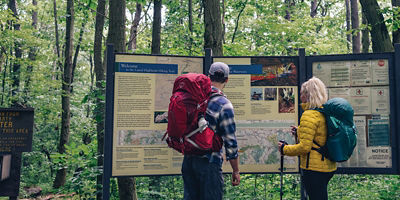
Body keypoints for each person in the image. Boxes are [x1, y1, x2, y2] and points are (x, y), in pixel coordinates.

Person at [181, 62, 240, 200]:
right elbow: (230, 142)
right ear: (226, 80)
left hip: (189, 161)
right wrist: (235, 170)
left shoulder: (194, 98)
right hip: (209, 163)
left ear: (208, 76)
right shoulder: (224, 104)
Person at [278, 77, 336, 200]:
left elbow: (304, 147)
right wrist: (300, 131)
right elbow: (319, 135)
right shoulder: (323, 112)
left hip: (314, 169)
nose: (300, 97)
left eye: (301, 93)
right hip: (328, 166)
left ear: (307, 95)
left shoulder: (308, 115)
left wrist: (284, 149)